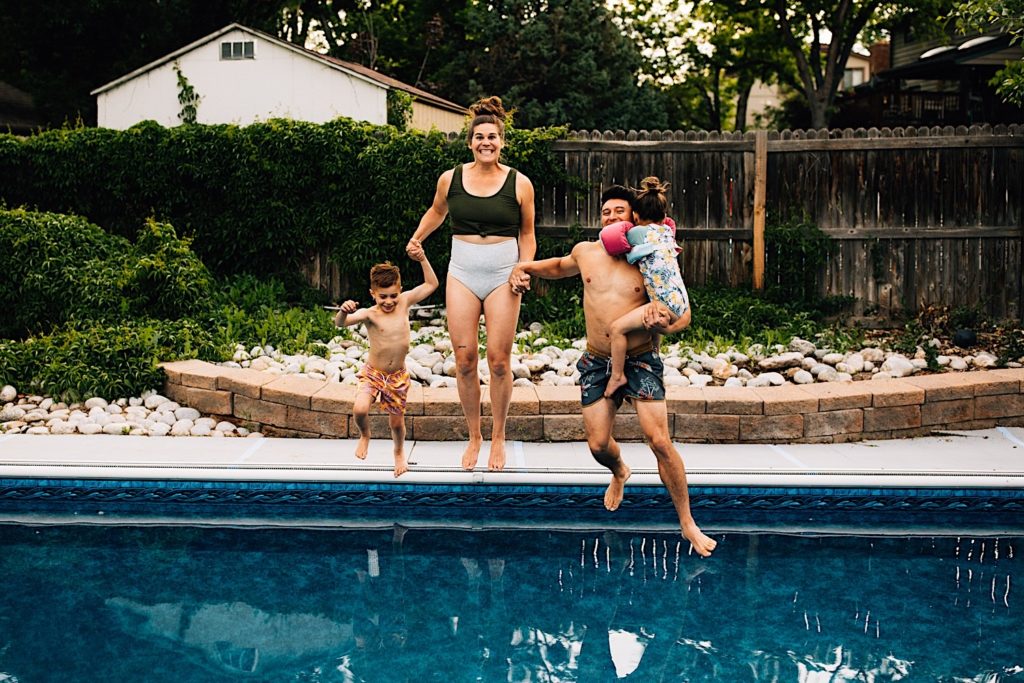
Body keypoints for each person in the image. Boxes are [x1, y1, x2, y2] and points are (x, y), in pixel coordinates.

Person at [509, 186, 716, 557]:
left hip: (639, 359)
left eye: (618, 211)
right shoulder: (587, 253)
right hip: (595, 360)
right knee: (598, 445)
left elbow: (682, 312)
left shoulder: (649, 254)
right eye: (605, 212)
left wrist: (662, 323)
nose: (610, 217)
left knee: (659, 441)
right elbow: (557, 266)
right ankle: (620, 470)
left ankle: (687, 522)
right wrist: (524, 267)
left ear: (633, 217)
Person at [406, 96, 536, 472]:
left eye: (492, 137)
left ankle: (498, 436)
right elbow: (437, 211)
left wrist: (523, 267)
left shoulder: (520, 183)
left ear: (502, 141)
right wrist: (418, 238)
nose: (486, 143)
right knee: (464, 361)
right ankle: (474, 436)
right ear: (470, 142)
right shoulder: (451, 178)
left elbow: (527, 233)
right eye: (479, 137)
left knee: (498, 361)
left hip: (502, 275)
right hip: (462, 272)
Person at [334, 245, 438, 476]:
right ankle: (365, 435)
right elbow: (340, 324)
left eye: (393, 295)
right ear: (373, 294)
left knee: (397, 424)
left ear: (400, 290)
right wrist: (343, 310)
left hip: (397, 376)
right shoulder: (370, 314)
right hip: (374, 373)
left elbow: (432, 284)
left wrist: (422, 258)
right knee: (360, 409)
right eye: (383, 297)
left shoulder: (405, 302)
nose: (389, 301)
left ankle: (399, 451)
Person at [601, 177, 691, 397]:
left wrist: (628, 227)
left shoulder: (637, 234)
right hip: (679, 300)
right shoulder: (667, 232)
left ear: (635, 216)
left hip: (665, 306)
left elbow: (611, 239)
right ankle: (655, 353)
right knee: (652, 323)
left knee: (617, 328)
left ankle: (617, 376)